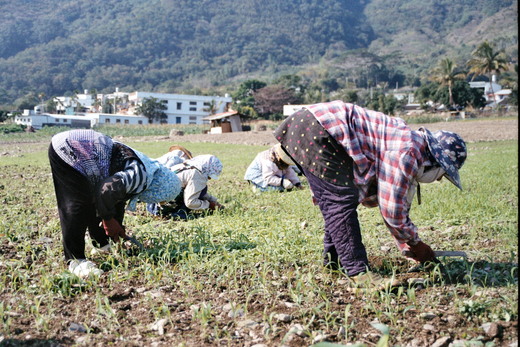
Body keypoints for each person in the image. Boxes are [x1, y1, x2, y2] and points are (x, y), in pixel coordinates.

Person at [273, 101, 467, 289]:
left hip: (312, 124)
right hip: (319, 128)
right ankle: (359, 274)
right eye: (443, 175)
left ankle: (333, 264)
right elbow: (392, 210)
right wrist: (416, 244)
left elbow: (392, 200)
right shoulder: (409, 150)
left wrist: (407, 245)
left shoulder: (408, 143)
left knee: (336, 201)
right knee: (339, 201)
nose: (440, 180)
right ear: (436, 162)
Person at [48, 129, 181, 278]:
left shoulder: (146, 170)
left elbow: (114, 200)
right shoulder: (139, 176)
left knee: (98, 202)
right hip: (70, 148)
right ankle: (75, 260)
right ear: (159, 190)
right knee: (77, 204)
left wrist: (114, 227)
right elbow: (105, 191)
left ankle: (101, 245)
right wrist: (108, 220)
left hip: (81, 147)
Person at [147, 154, 224, 219]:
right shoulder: (197, 174)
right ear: (208, 169)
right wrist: (209, 205)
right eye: (210, 176)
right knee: (201, 190)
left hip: (153, 203)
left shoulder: (186, 166)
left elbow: (197, 190)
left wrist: (213, 200)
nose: (209, 178)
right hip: (163, 206)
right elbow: (190, 202)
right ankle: (179, 214)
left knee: (199, 189)